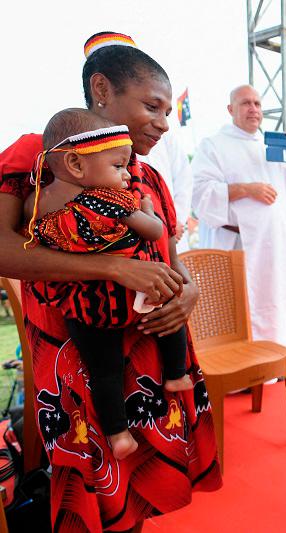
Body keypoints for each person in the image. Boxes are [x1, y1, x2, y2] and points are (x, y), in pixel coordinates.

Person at [0, 32, 221, 532]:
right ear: (101, 88)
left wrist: (188, 292)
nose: (164, 123)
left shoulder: (148, 177)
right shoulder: (39, 156)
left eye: (168, 111)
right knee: (93, 490)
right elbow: (3, 250)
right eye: (152, 106)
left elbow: (171, 257)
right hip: (75, 354)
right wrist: (112, 267)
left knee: (137, 491)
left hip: (147, 354)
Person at [24, 109, 193, 460]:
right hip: (127, 297)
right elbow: (156, 231)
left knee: (104, 372)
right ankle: (176, 374)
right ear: (76, 164)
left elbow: (33, 233)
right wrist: (146, 207)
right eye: (118, 167)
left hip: (84, 307)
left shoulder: (38, 201)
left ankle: (118, 434)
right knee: (168, 318)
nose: (124, 174)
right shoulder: (110, 199)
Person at [192, 84, 286, 363]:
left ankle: (275, 361)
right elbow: (200, 193)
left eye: (257, 103)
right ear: (231, 109)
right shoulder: (213, 145)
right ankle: (240, 371)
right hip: (237, 246)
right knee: (239, 310)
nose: (253, 109)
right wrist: (247, 189)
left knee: (273, 304)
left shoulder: (272, 144)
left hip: (272, 245)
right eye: (245, 103)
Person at [139, 128, 193, 252]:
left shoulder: (166, 136)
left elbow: (183, 179)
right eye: (151, 107)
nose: (164, 124)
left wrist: (175, 222)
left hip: (175, 230)